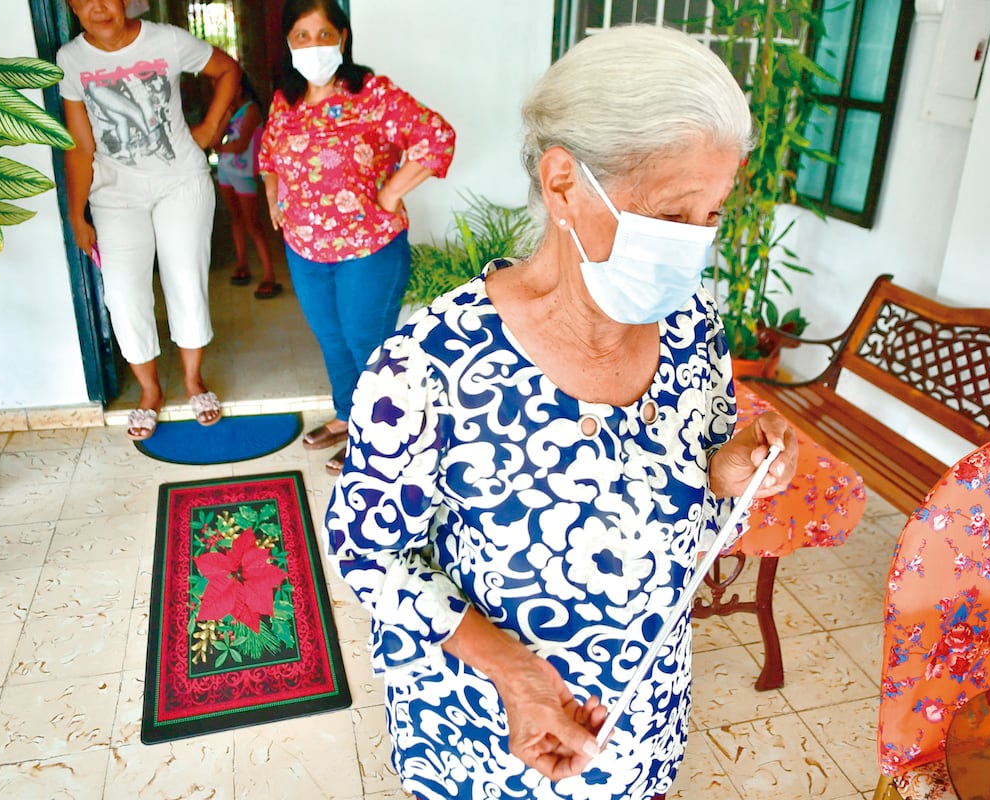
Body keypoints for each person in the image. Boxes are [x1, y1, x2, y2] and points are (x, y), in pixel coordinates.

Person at [326, 24, 800, 800]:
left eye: (712, 217)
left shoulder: (691, 328)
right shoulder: (429, 366)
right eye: (673, 216)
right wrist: (514, 672)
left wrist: (733, 471)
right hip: (487, 728)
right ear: (562, 183)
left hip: (644, 712)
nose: (693, 248)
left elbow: (706, 496)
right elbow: (368, 557)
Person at [258, 0, 455, 475]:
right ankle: (350, 418)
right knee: (331, 339)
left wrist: (390, 193)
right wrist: (273, 198)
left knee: (367, 341)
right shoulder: (285, 99)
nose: (312, 45)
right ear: (289, 43)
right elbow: (267, 153)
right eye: (301, 36)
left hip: (368, 249)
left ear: (342, 37)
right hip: (305, 248)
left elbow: (437, 137)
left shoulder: (371, 93)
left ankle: (377, 438)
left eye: (322, 34)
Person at [59, 0, 240, 440]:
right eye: (83, 1)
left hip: (181, 180)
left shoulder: (167, 40)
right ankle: (150, 391)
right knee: (122, 293)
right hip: (114, 194)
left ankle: (194, 381)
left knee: (185, 278)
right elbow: (80, 145)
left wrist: (209, 130)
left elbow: (227, 70)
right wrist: (75, 211)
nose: (96, 8)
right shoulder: (72, 59)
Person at [214, 75, 278, 298]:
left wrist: (221, 148)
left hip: (243, 173)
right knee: (236, 219)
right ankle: (242, 264)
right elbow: (214, 139)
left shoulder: (251, 110)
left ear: (239, 87)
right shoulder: (229, 111)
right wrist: (226, 116)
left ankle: (269, 274)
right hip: (226, 171)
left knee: (253, 223)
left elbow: (239, 145)